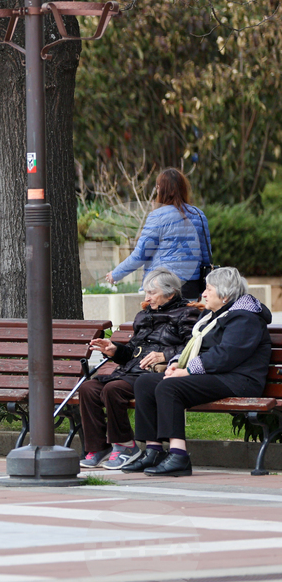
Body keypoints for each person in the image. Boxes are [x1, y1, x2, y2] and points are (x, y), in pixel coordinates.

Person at [124, 267, 271, 476]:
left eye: (209, 289)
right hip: (217, 376)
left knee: (170, 387)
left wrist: (188, 372)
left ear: (225, 294)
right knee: (146, 383)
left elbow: (226, 355)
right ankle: (153, 450)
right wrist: (177, 363)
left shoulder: (245, 318)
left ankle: (178, 455)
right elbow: (193, 346)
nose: (203, 293)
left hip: (239, 380)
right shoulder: (214, 316)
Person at [80, 268, 200, 470]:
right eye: (146, 292)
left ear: (170, 293)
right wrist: (114, 350)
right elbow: (133, 352)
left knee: (113, 389)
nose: (147, 298)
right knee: (88, 388)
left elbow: (192, 347)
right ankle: (99, 447)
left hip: (156, 373)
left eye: (152, 293)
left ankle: (126, 446)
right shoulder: (144, 315)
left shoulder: (188, 313)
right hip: (130, 371)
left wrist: (165, 355)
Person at [106, 168, 211, 300]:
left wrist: (115, 274)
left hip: (162, 288)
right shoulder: (199, 215)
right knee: (188, 320)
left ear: (161, 190)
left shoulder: (158, 216)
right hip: (191, 288)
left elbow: (140, 254)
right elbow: (206, 257)